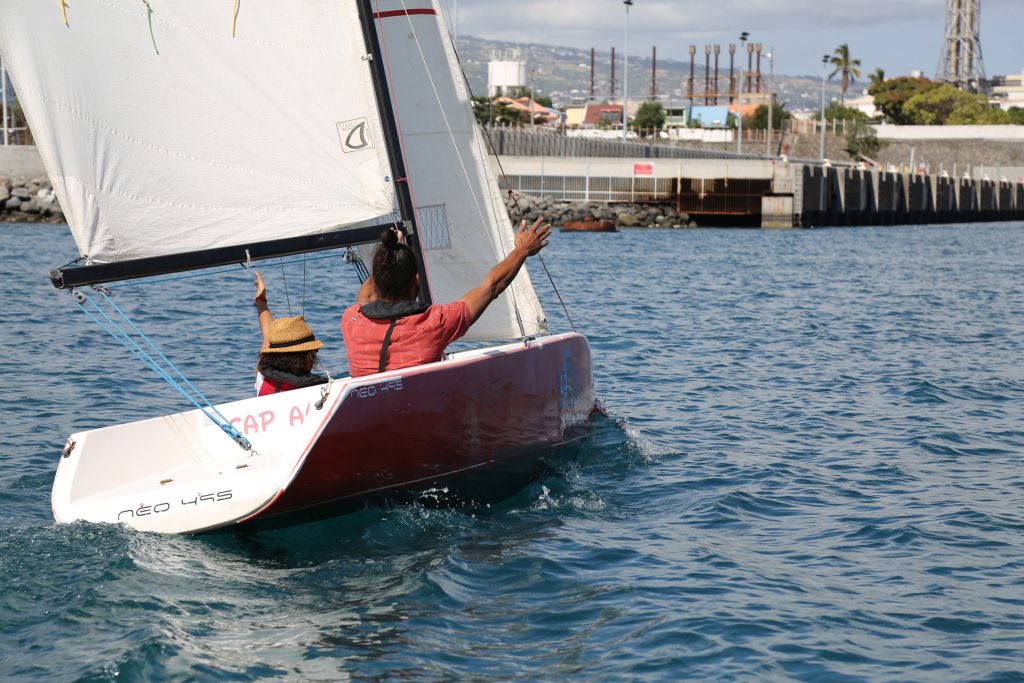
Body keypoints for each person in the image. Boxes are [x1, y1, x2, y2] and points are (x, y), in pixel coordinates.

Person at [342, 217, 552, 377]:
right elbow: (493, 286)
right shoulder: (434, 322)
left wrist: (390, 253)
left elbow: (368, 292)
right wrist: (521, 250)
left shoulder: (351, 319)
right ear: (416, 281)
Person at [252, 271, 328, 395]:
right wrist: (261, 300)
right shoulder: (320, 389)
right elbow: (267, 336)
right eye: (314, 351)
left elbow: (267, 334)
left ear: (273, 355)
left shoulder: (263, 377)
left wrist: (261, 300)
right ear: (308, 357)